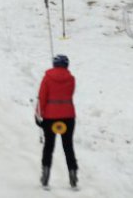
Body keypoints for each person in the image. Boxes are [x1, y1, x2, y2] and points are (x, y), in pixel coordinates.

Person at [35, 54, 78, 188]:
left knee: (49, 146)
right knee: (68, 146)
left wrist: (38, 115)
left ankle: (46, 173)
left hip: (50, 116)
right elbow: (70, 94)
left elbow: (42, 97)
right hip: (68, 116)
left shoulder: (47, 78)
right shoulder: (71, 79)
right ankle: (73, 173)